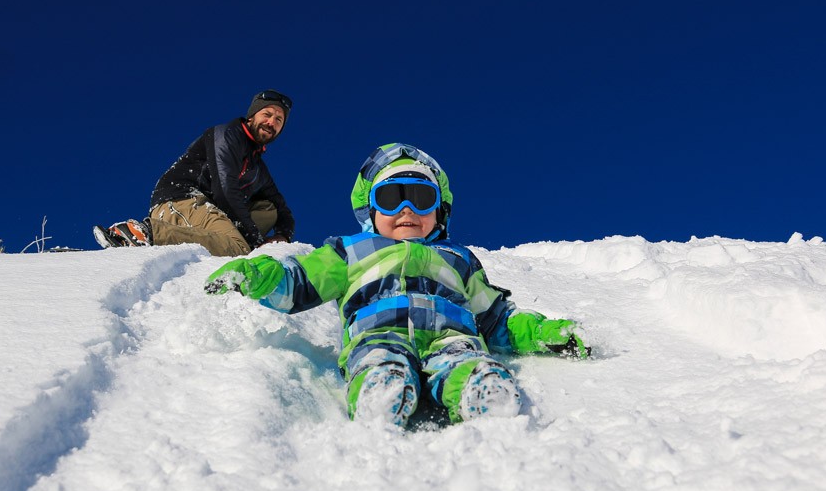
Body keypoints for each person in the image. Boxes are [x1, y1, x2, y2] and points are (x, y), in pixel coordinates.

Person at [204, 143, 589, 427]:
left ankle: (479, 388)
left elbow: (496, 318)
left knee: (467, 358)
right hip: (378, 332)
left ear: (439, 211)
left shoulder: (458, 259)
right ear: (371, 211)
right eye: (391, 198)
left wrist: (541, 331)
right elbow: (300, 282)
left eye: (421, 197)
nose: (406, 209)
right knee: (377, 357)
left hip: (451, 337)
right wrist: (263, 276)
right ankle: (380, 389)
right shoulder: (351, 252)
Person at [94, 89, 296, 256]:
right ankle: (145, 233)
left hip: (208, 209)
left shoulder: (258, 168)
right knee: (237, 247)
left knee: (268, 208)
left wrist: (282, 237)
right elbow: (225, 190)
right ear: (252, 116)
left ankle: (236, 246)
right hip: (180, 199)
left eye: (279, 120)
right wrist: (255, 241)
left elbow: (282, 211)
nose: (272, 122)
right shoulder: (227, 135)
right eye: (267, 115)